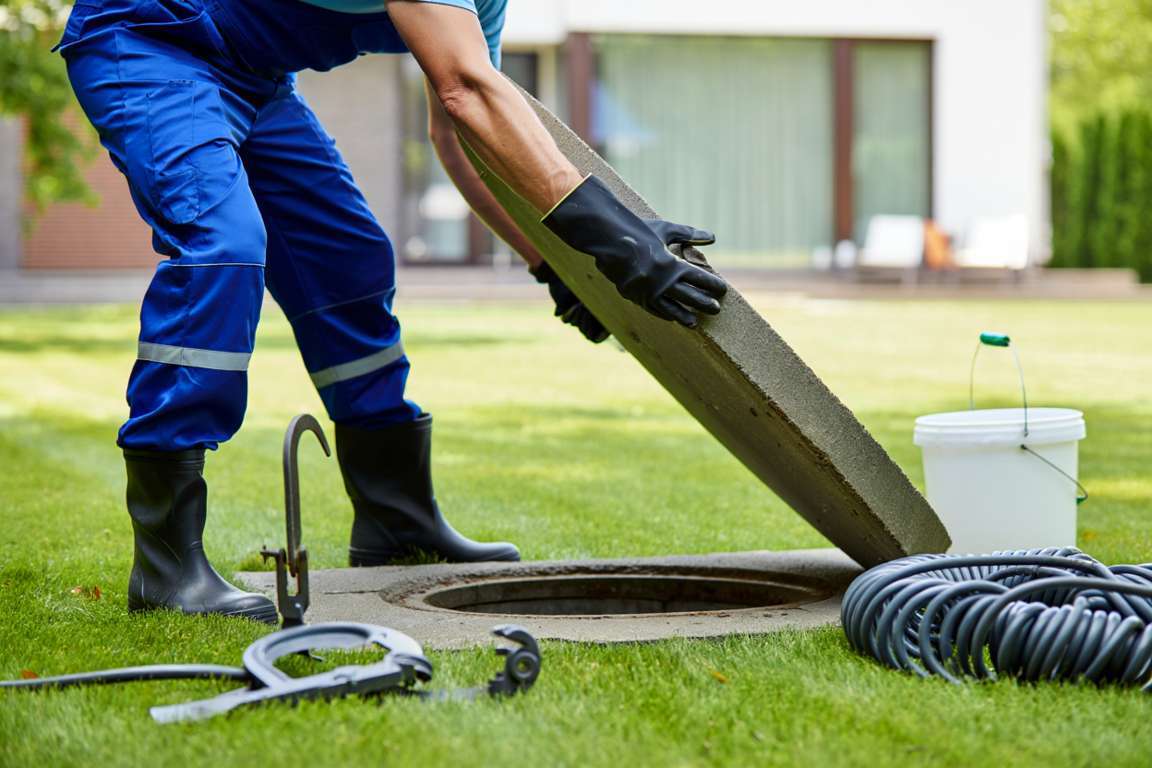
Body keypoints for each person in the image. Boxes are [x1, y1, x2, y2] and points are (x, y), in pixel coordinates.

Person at [56, 0, 728, 623]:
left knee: (350, 262)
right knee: (222, 246)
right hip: (147, 41)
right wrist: (615, 238)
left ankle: (395, 522)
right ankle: (166, 565)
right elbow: (467, 89)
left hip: (255, 78)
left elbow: (460, 129)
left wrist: (549, 263)